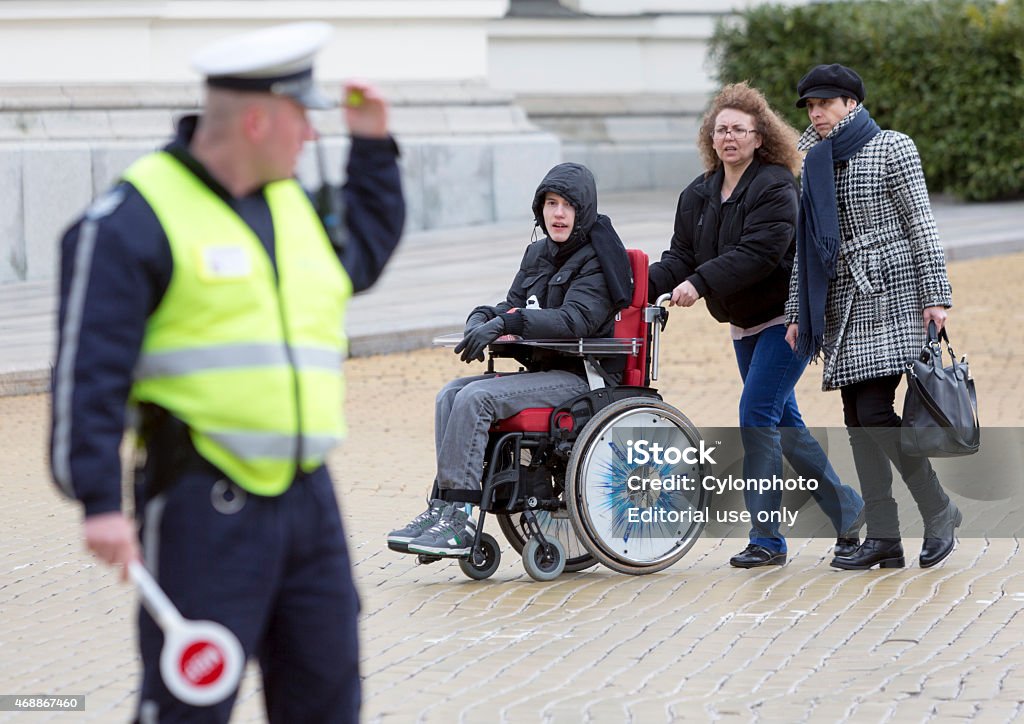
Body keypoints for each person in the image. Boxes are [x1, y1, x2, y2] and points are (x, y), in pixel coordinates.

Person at [49, 22, 404, 722]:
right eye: (302, 119)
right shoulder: (134, 218)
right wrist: (96, 499)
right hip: (200, 503)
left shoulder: (289, 204)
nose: (309, 138)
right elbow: (88, 371)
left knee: (328, 696)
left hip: (309, 501)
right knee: (190, 706)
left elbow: (359, 254)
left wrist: (372, 146)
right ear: (256, 119)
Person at [648, 82, 864, 569]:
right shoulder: (698, 194)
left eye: (740, 130)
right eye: (721, 129)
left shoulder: (775, 185)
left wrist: (699, 284)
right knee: (784, 422)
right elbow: (679, 256)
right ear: (711, 136)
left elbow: (759, 254)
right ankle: (848, 509)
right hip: (743, 323)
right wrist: (632, 284)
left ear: (759, 137)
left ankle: (767, 539)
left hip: (788, 320)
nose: (729, 138)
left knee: (755, 414)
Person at [387, 162, 633, 557]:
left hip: (583, 378)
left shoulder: (599, 259)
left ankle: (462, 520)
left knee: (476, 398)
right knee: (450, 393)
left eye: (567, 205)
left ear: (583, 210)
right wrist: (483, 317)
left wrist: (510, 320)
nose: (557, 213)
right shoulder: (538, 253)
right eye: (550, 204)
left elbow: (576, 320)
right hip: (541, 371)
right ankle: (445, 506)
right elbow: (514, 304)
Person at [785, 63, 960, 570]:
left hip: (891, 291)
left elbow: (921, 222)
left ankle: (938, 508)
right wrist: (799, 311)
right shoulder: (814, 160)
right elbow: (806, 248)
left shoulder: (892, 146)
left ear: (851, 104)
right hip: (841, 301)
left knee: (876, 413)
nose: (816, 113)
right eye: (810, 105)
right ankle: (884, 535)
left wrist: (936, 294)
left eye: (825, 103)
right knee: (856, 417)